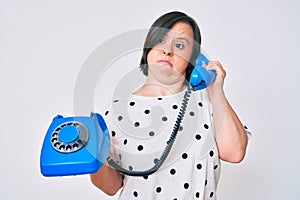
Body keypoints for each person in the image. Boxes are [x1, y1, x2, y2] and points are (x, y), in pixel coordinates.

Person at [90, 11, 250, 199]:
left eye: (180, 45)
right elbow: (111, 187)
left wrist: (216, 90)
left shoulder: (208, 102)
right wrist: (94, 153)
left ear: (193, 60)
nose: (167, 51)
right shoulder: (115, 112)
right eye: (161, 40)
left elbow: (235, 153)